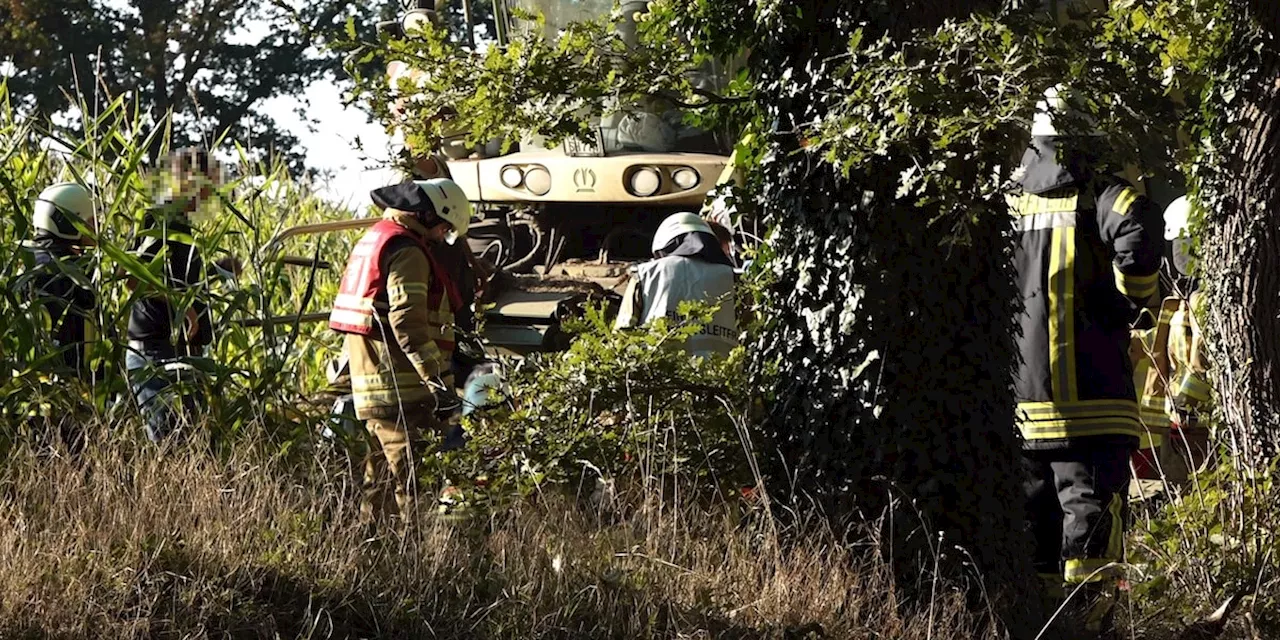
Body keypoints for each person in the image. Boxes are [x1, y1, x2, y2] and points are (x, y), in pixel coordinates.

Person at [1009, 86, 1163, 635]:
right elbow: (1139, 230)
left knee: (1036, 544)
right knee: (1092, 546)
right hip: (1095, 406)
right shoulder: (1102, 193)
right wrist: (1135, 298)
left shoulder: (1008, 197)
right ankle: (1089, 630)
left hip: (1023, 411)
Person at [329, 179, 471, 523]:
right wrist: (438, 381)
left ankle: (376, 557)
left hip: (374, 387)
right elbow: (406, 322)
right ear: (428, 215)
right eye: (444, 229)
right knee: (413, 486)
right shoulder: (408, 251)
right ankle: (416, 566)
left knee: (378, 485)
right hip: (401, 391)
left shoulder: (378, 238)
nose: (441, 238)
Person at [125, 147, 220, 443]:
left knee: (195, 439)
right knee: (169, 441)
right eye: (209, 182)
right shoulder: (161, 220)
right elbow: (132, 277)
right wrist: (184, 310)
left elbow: (175, 277)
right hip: (157, 351)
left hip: (179, 350)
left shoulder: (182, 225)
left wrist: (217, 269)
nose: (212, 191)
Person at [614, 212, 738, 358]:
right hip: (722, 373)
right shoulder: (732, 277)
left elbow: (623, 332)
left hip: (658, 373)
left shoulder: (644, 274)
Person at [22, 182, 99, 379]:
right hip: (68, 382)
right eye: (91, 220)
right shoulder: (69, 271)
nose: (97, 226)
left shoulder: (25, 262)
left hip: (31, 384)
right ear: (71, 221)